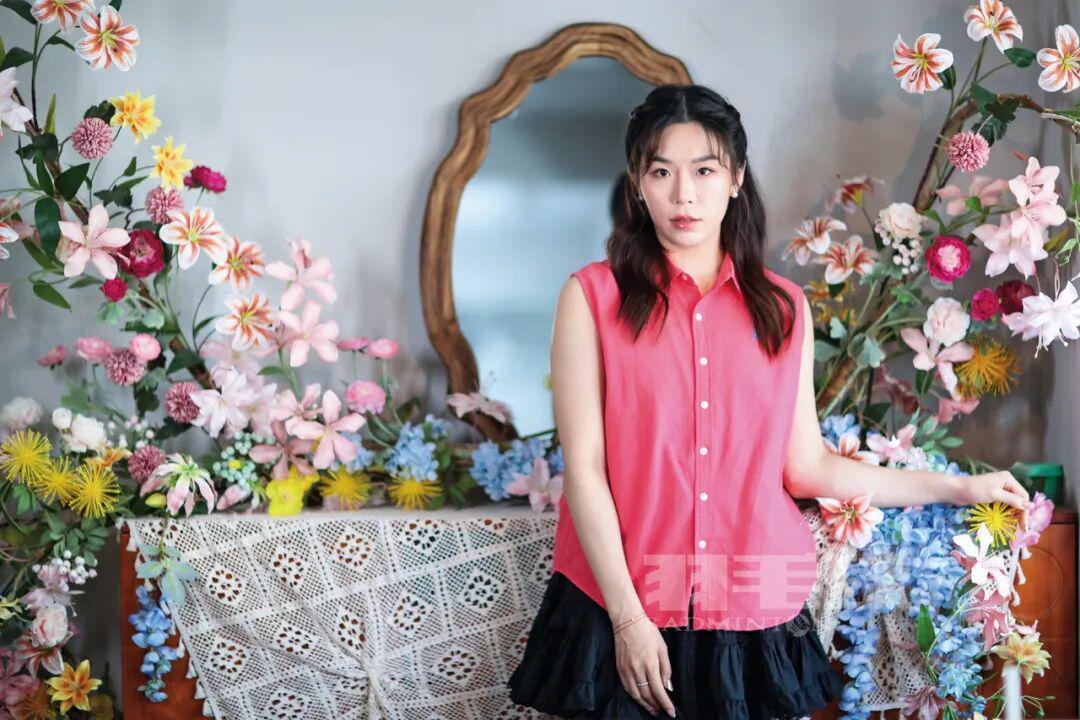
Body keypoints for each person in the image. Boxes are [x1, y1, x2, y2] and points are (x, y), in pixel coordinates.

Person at [506, 84, 1032, 720]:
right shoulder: (592, 297)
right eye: (661, 172)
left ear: (735, 179)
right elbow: (585, 469)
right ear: (637, 183)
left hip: (750, 611)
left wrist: (957, 488)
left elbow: (807, 468)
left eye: (704, 171)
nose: (683, 194)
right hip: (621, 603)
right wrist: (628, 619)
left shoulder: (783, 308)